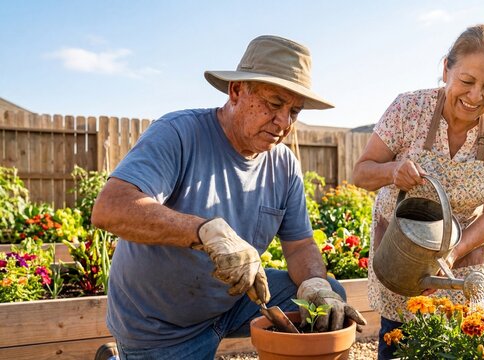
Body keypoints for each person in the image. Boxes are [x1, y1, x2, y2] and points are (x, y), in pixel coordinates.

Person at [91, 34, 366, 360]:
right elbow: (111, 208)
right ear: (236, 91)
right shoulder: (179, 134)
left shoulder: (283, 164)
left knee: (326, 297)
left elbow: (301, 245)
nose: (284, 122)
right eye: (275, 104)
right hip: (161, 323)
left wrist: (314, 284)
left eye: (295, 111)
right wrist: (204, 232)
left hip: (234, 302)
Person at [352, 24, 484, 359]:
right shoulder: (408, 109)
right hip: (401, 251)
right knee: (397, 343)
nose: (475, 96)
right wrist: (391, 171)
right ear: (446, 68)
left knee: (456, 345)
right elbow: (361, 173)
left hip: (462, 256)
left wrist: (451, 255)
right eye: (467, 81)